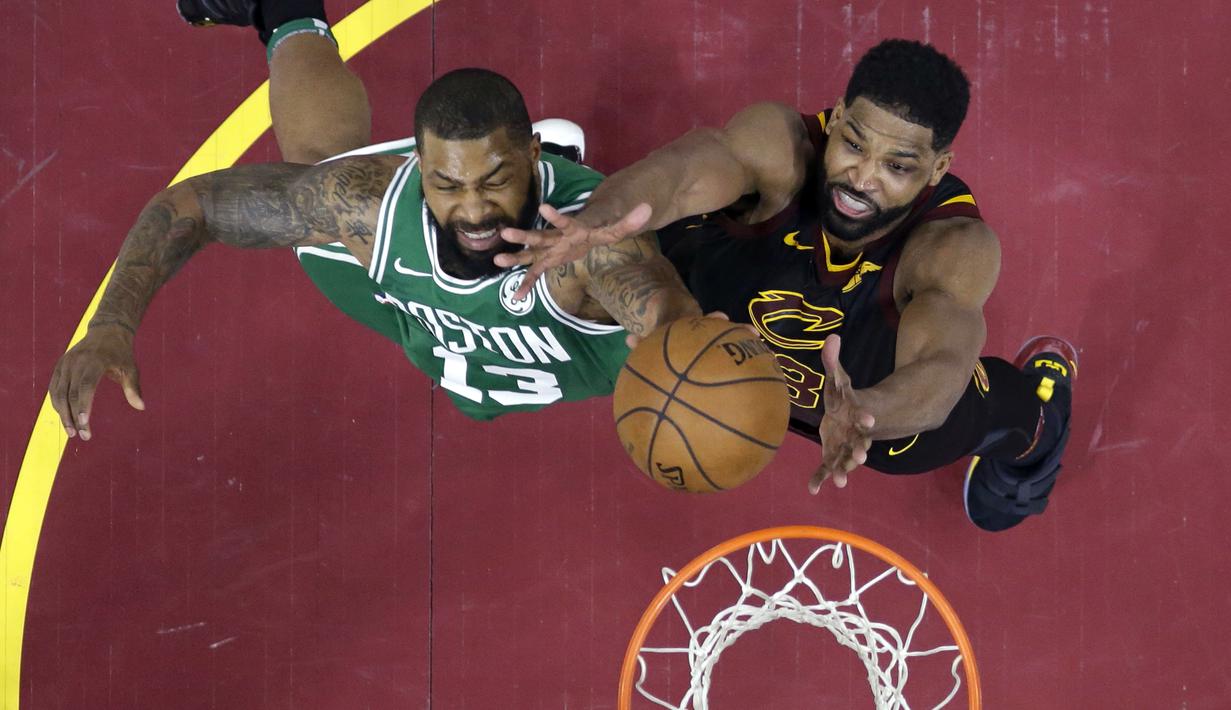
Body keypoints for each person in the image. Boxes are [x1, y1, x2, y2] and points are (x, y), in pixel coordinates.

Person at [496, 39, 1079, 532]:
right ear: (839, 116)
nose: (861, 178)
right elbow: (678, 175)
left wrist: (865, 411)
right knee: (599, 243)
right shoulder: (778, 145)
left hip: (859, 404)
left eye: (898, 167)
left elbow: (941, 370)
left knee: (1005, 417)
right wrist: (600, 216)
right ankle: (573, 187)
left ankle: (1036, 444)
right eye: (853, 144)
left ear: (937, 167)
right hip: (705, 327)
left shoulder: (952, 246)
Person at [48, 62, 701, 442]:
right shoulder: (371, 205)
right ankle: (285, 12)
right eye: (448, 184)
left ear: (528, 154)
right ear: (417, 167)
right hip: (413, 311)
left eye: (495, 180)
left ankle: (561, 179)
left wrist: (689, 361)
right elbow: (194, 206)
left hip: (542, 335)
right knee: (317, 173)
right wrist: (111, 323)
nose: (473, 209)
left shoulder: (587, 254)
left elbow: (659, 306)